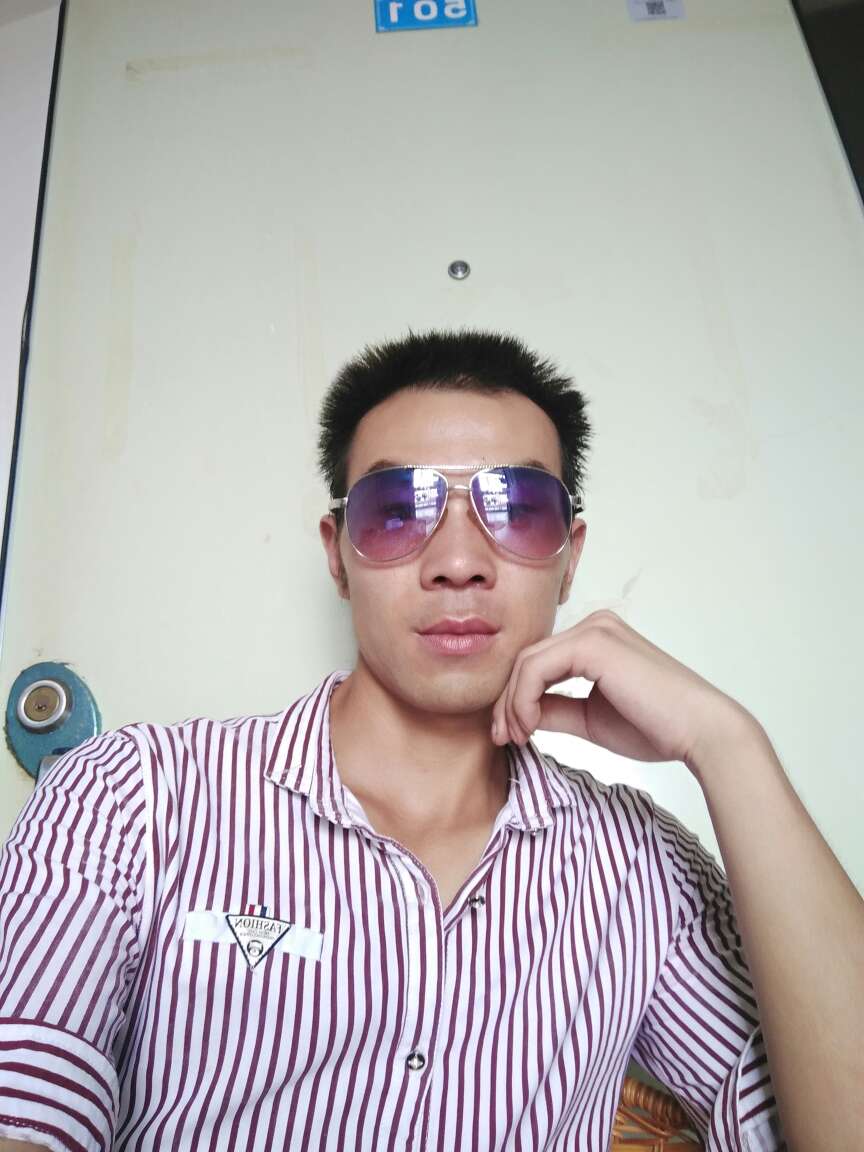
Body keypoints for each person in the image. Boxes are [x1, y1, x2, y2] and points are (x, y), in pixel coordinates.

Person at [0, 329, 861, 1152]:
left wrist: (728, 745)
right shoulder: (134, 797)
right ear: (337, 555)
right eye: (396, 509)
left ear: (570, 558)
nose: (458, 561)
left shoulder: (642, 871)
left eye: (516, 509)